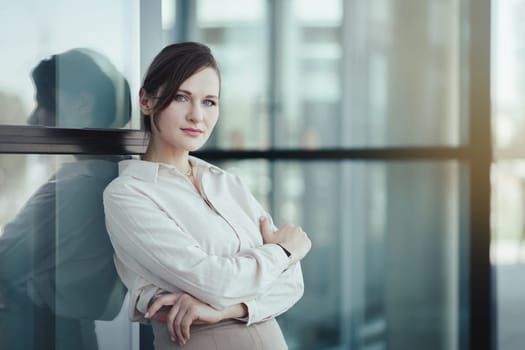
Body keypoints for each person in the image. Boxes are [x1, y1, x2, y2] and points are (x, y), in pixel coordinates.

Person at [102, 42, 312, 349]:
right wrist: (282, 252)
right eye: (181, 97)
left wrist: (226, 310)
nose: (197, 116)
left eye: (209, 102)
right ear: (146, 101)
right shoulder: (129, 195)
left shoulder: (227, 183)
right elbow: (214, 281)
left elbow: (293, 283)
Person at [0, 48, 130, 350]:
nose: (33, 119)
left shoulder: (77, 185)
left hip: (40, 334)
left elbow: (3, 262)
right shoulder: (118, 175)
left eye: (43, 103)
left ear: (83, 104)